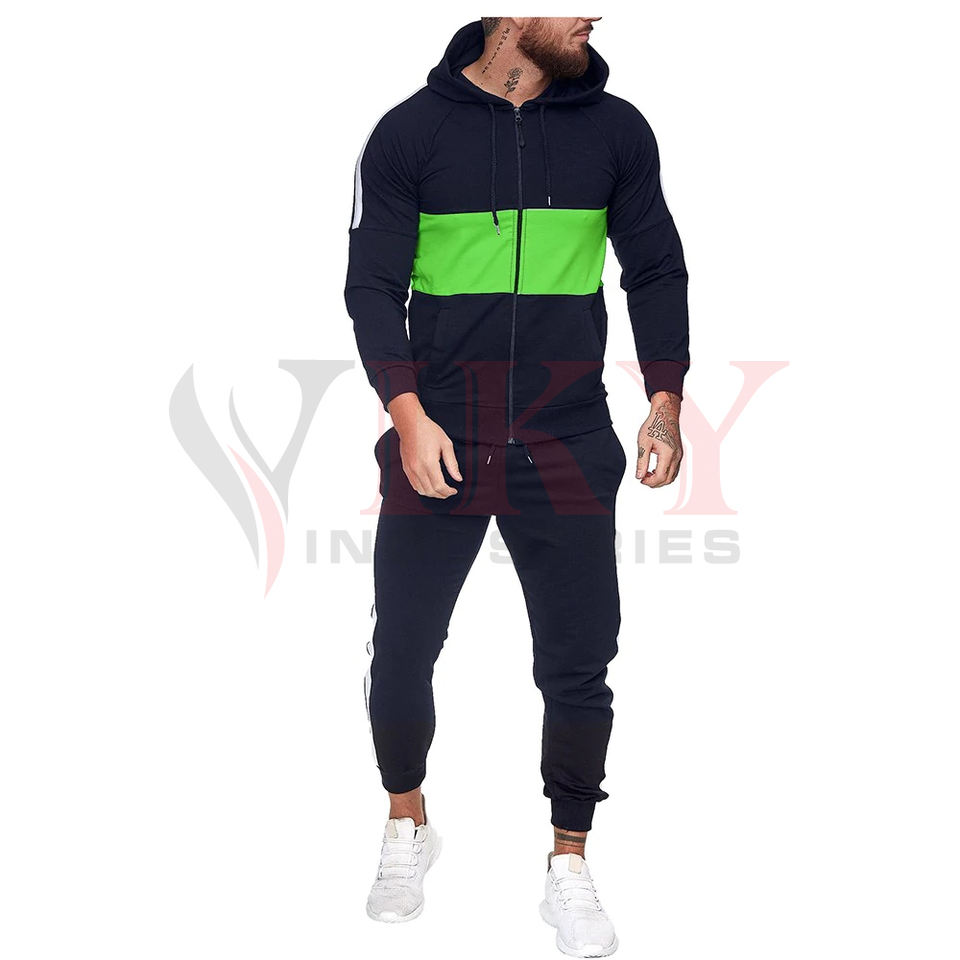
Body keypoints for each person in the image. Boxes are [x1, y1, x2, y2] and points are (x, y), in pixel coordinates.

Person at [345, 16, 689, 957]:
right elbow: (372, 286)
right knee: (403, 649)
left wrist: (664, 401)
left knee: (578, 662)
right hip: (439, 434)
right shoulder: (410, 132)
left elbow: (654, 266)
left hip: (565, 435)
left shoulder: (616, 130)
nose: (593, 14)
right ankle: (407, 822)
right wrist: (407, 415)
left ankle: (568, 861)